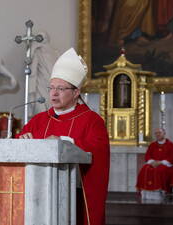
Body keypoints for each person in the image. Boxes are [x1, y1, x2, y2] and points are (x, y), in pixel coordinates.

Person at [17, 48, 110, 225]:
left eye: (60, 89)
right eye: (51, 88)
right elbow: (18, 143)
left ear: (76, 93)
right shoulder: (40, 120)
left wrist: (65, 143)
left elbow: (98, 151)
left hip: (75, 196)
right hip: (39, 195)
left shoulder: (92, 120)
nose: (54, 93)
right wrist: (24, 141)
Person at [136, 128, 173, 201]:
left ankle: (160, 193)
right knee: (145, 168)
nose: (158, 135)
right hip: (153, 163)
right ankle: (145, 193)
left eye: (159, 133)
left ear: (164, 134)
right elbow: (147, 156)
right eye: (156, 133)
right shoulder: (152, 145)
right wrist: (152, 162)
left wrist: (160, 162)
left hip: (165, 165)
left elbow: (172, 158)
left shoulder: (171, 145)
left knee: (160, 170)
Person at [29, 31, 58, 117]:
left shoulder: (55, 52)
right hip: (41, 86)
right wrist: (33, 48)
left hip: (53, 85)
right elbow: (32, 70)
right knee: (41, 112)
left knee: (53, 112)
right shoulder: (37, 52)